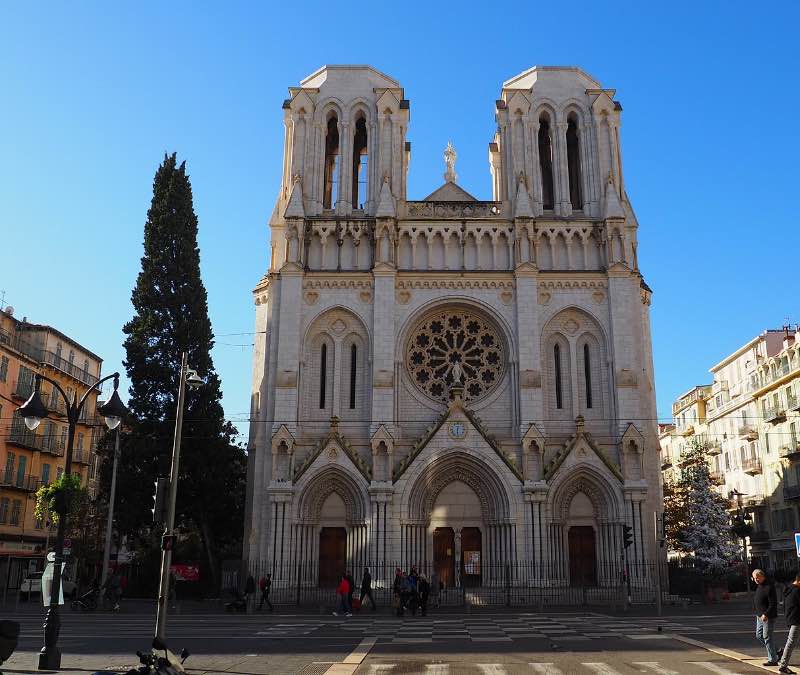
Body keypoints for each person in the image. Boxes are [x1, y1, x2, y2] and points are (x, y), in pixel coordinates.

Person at [753, 568, 780, 666]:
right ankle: (778, 651)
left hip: (768, 616)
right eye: (754, 578)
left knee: (767, 637)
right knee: (759, 635)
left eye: (757, 578)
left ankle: (773, 659)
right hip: (759, 616)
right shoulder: (759, 585)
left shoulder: (769, 586)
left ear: (762, 576)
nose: (755, 580)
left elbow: (773, 603)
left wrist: (766, 614)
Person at [778, 573, 800, 674]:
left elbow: (785, 607)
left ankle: (783, 664)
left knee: (791, 642)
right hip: (797, 620)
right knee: (791, 643)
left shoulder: (789, 589)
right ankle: (783, 665)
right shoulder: (797, 591)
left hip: (791, 619)